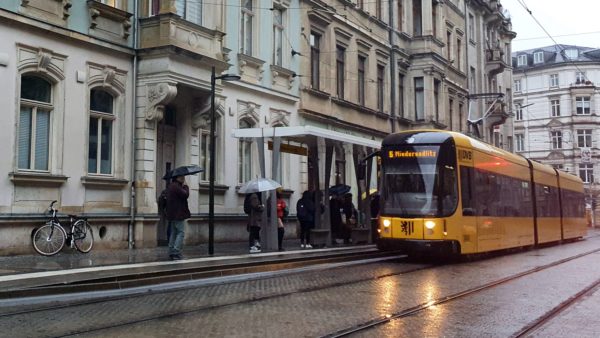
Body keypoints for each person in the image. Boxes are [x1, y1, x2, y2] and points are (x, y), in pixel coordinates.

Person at [166, 174, 191, 260]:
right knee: (181, 233)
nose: (183, 178)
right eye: (182, 177)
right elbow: (185, 195)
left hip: (172, 214)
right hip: (178, 214)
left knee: (174, 232)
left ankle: (171, 250)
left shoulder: (171, 186)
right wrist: (186, 186)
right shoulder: (176, 187)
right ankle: (176, 252)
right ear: (177, 178)